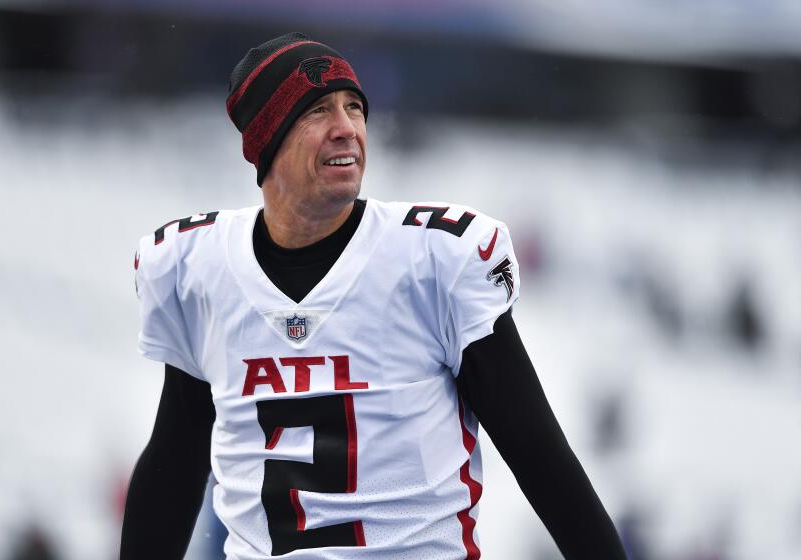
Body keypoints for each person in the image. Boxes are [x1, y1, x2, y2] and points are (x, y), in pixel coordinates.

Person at [120, 32, 626, 560]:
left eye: (354, 108)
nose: (347, 129)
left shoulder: (434, 260)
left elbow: (538, 454)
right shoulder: (200, 269)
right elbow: (175, 463)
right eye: (317, 110)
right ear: (266, 138)